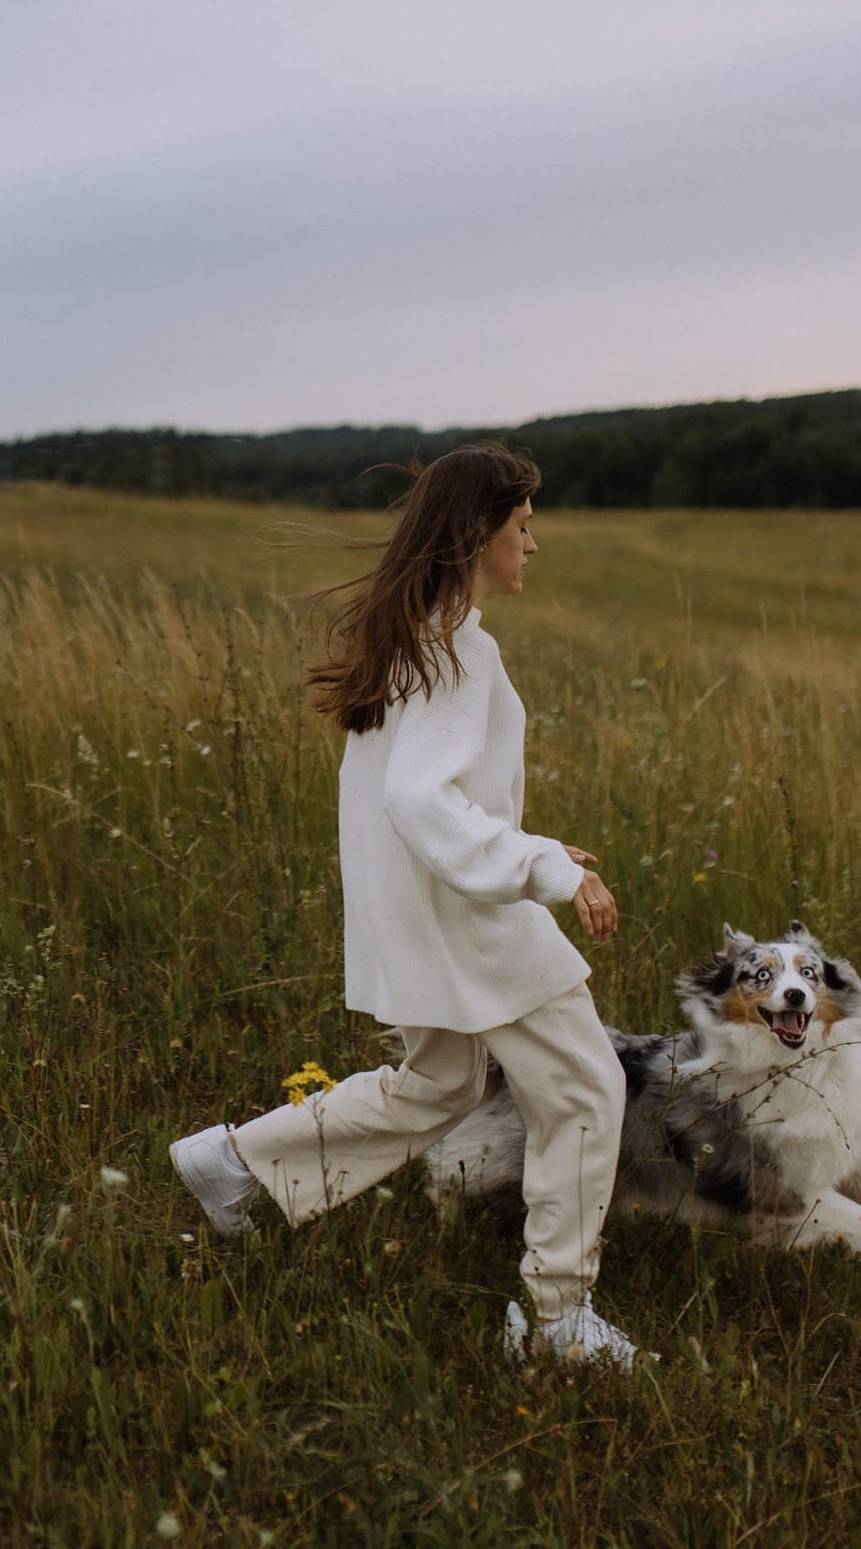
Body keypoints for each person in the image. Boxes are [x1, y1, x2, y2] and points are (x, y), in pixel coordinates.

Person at [167, 442, 644, 1370]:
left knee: (441, 1087)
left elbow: (429, 798)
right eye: (524, 524)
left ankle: (234, 1161)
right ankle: (557, 1323)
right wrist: (543, 870)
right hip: (474, 924)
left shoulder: (419, 635)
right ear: (481, 531)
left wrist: (532, 845)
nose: (533, 544)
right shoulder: (454, 645)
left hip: (433, 914)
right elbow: (422, 801)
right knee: (588, 1088)